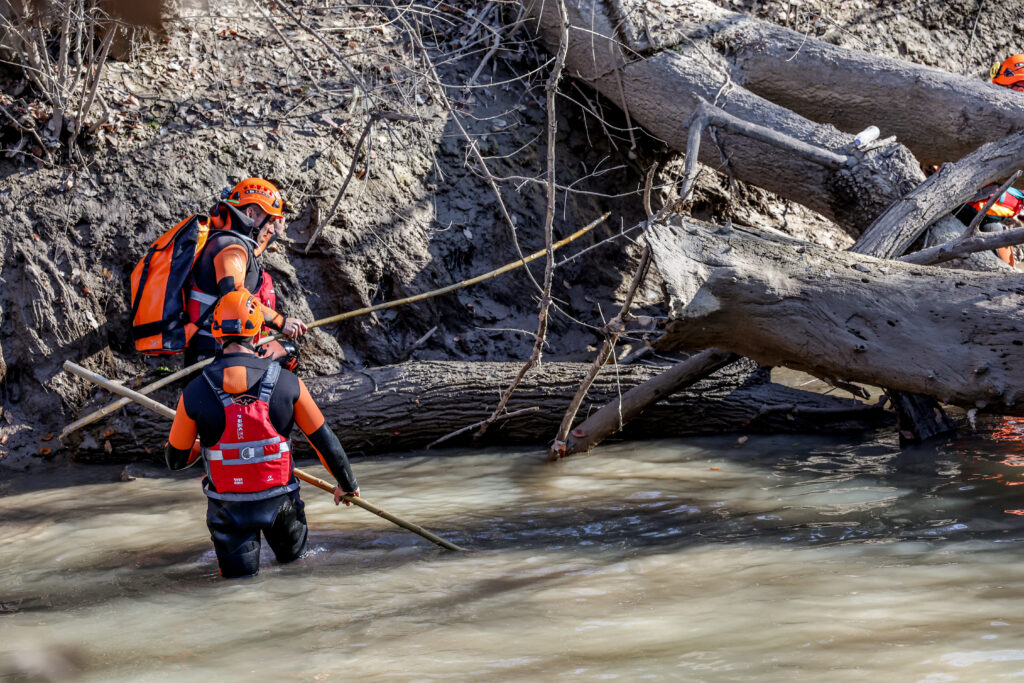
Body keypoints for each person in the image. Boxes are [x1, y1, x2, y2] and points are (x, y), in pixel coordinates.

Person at [165, 290, 359, 578]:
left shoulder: (194, 392)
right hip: (282, 504)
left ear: (216, 335)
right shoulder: (289, 382)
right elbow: (324, 441)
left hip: (229, 510)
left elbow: (176, 460)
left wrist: (205, 445)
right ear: (257, 333)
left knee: (239, 588)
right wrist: (347, 484)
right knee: (296, 576)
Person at [185, 177, 308, 365]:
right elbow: (235, 295)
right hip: (212, 355)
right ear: (250, 213)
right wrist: (280, 322)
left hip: (218, 346)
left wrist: (274, 233)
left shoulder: (228, 241)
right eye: (270, 221)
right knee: (287, 355)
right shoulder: (230, 248)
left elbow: (252, 252)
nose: (271, 229)